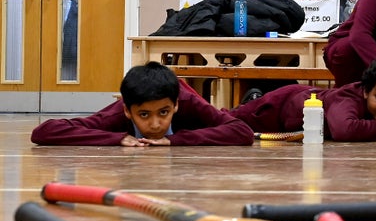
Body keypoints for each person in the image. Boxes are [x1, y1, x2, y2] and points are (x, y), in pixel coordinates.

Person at [30, 61, 253, 146]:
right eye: (144, 115)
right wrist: (117, 138)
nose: (155, 124)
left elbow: (242, 132)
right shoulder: (117, 114)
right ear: (128, 110)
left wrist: (176, 140)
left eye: (163, 112)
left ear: (175, 105)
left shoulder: (187, 103)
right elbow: (44, 132)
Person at [230, 56, 376, 141]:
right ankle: (253, 99)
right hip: (279, 106)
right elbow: (345, 130)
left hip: (293, 118)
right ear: (366, 91)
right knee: (225, 121)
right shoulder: (348, 97)